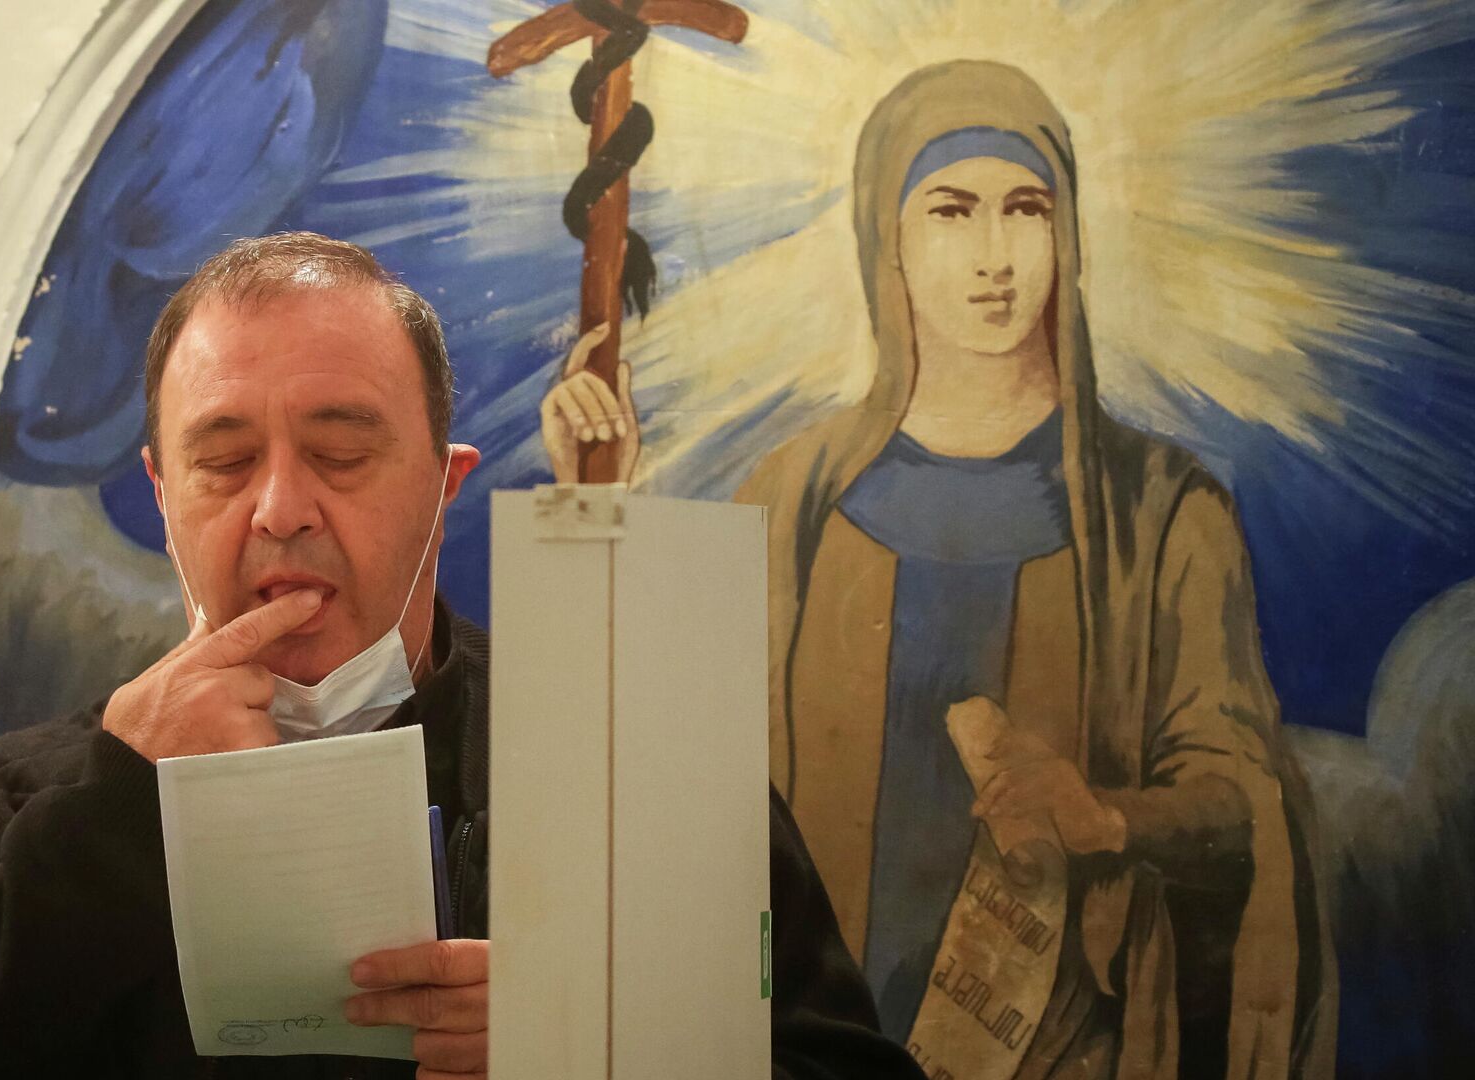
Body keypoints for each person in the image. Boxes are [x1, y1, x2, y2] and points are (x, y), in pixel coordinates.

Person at [0, 232, 922, 1080]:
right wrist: (112, 816)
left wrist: (597, 1050)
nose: (281, 508)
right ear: (163, 495)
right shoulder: (14, 800)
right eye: (224, 462)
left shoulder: (647, 773)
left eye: (339, 452)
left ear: (444, 485)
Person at [543, 62, 1334, 1080]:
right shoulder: (792, 499)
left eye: (1027, 210)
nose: (995, 256)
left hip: (1068, 1047)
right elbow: (676, 765)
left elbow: (1242, 800)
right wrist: (595, 510)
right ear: (890, 241)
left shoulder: (1162, 515)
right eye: (952, 211)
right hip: (822, 1046)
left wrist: (1105, 816)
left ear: (1068, 236)